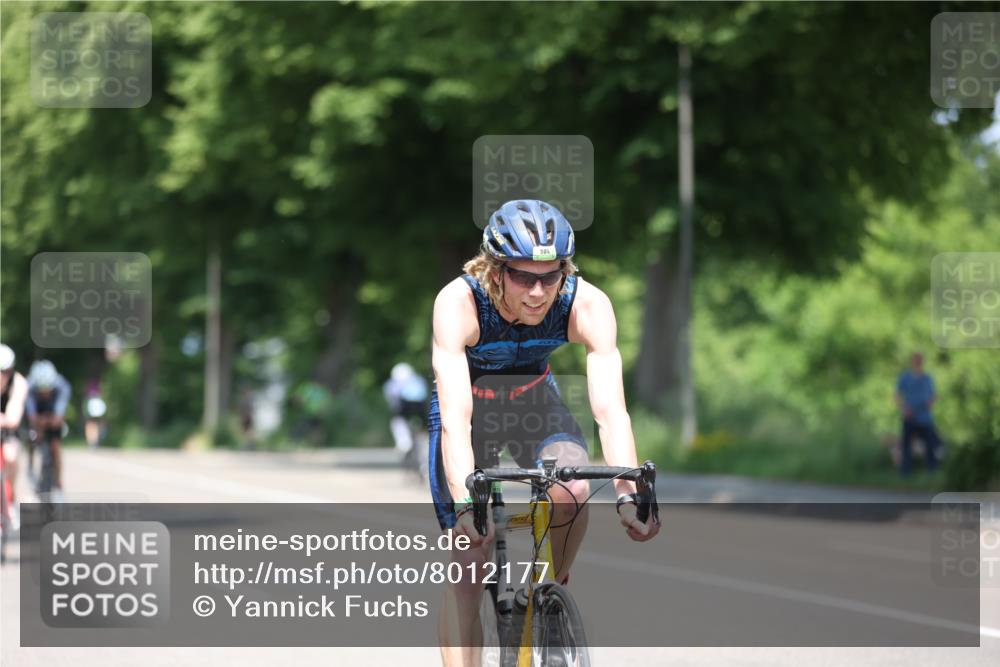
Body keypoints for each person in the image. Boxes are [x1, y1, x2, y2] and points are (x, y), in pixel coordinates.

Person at [429, 199, 660, 666]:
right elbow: (456, 418)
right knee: (469, 564)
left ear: (565, 271)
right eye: (523, 277)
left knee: (572, 486)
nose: (538, 292)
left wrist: (627, 492)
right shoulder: (459, 303)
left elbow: (611, 410)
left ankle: (549, 593)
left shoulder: (587, 304)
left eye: (550, 276)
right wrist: (464, 502)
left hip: (535, 399)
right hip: (473, 410)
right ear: (495, 270)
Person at [25, 360, 71, 495]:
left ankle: (58, 482)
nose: (45, 393)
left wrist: (52, 421)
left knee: (56, 447)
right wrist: (37, 425)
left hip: (53, 412)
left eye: (48, 390)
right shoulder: (29, 387)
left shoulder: (62, 386)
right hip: (37, 412)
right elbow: (31, 415)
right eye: (41, 391)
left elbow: (58, 416)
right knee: (32, 436)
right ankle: (30, 466)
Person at [895, 352, 942, 475]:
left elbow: (934, 396)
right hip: (909, 416)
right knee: (907, 445)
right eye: (916, 360)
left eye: (919, 360)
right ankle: (906, 472)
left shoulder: (927, 378)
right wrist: (904, 409)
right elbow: (897, 395)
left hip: (924, 417)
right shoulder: (905, 377)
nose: (917, 362)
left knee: (930, 444)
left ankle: (933, 470)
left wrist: (930, 403)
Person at [0, 344, 29, 508]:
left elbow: (12, 419)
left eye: (4, 372)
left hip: (9, 428)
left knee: (10, 456)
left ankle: (10, 498)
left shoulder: (19, 383)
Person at [383, 362, 430, 457]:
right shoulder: (418, 380)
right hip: (421, 408)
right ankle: (425, 444)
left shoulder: (392, 384)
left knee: (397, 421)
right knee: (423, 428)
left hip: (404, 408)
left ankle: (404, 441)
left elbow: (392, 401)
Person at [83, 380, 107, 449]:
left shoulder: (93, 385)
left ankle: (93, 442)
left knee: (93, 426)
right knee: (92, 426)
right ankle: (93, 442)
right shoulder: (95, 385)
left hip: (94, 408)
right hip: (94, 408)